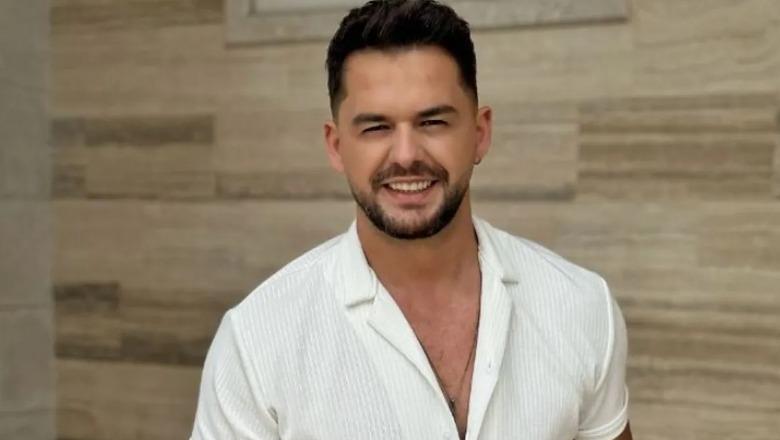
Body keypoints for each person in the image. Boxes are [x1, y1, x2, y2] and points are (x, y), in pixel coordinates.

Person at [190, 0, 632, 439]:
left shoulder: (581, 306)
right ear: (336, 146)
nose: (405, 155)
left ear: (480, 134)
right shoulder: (256, 342)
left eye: (433, 122)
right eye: (376, 127)